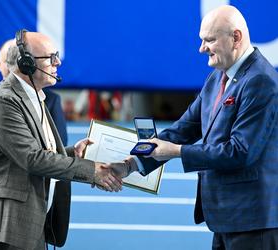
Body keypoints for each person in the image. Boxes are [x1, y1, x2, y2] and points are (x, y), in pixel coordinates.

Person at [109, 5, 278, 250]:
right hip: (225, 219)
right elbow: (184, 128)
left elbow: (240, 152)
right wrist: (131, 164)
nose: (201, 49)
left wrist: (177, 151)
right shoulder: (218, 76)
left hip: (253, 221)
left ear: (236, 38)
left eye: (209, 40)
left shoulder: (260, 81)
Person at [0, 30, 122, 250]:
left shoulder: (34, 95)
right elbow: (32, 159)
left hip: (29, 222)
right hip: (5, 227)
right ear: (25, 63)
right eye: (50, 57)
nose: (58, 62)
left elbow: (38, 151)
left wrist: (73, 152)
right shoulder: (4, 102)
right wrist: (93, 170)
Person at [0, 39, 68, 146]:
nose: (15, 66)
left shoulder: (48, 98)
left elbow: (59, 145)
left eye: (17, 60)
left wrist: (73, 153)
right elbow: (31, 157)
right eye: (9, 61)